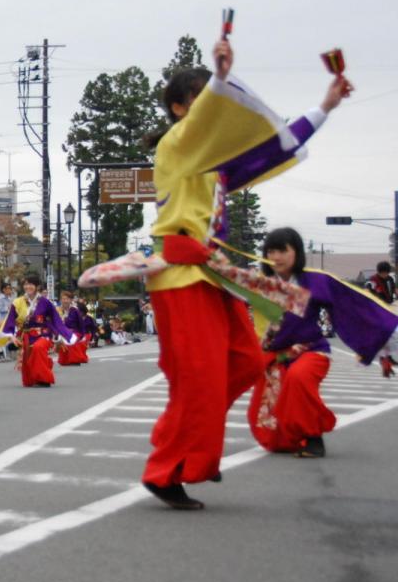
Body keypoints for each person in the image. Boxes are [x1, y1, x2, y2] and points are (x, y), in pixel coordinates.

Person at [135, 35, 351, 510]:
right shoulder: (176, 145)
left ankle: (185, 443)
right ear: (178, 108)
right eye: (204, 101)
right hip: (179, 275)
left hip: (211, 276)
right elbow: (208, 121)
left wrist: (325, 107)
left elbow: (275, 149)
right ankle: (166, 468)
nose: (217, 111)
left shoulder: (214, 167)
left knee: (247, 362)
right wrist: (219, 76)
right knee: (199, 379)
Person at [247, 229, 398, 457]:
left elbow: (354, 306)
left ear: (296, 252)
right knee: (273, 432)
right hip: (275, 357)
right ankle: (293, 437)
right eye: (270, 251)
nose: (275, 256)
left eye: (282, 250)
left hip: (312, 350)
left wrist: (384, 344)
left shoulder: (316, 281)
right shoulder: (257, 284)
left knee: (299, 378)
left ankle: (313, 438)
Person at [0, 274, 74, 387]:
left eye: (30, 284)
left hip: (44, 333)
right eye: (25, 284)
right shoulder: (18, 302)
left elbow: (55, 319)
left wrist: (60, 334)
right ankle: (39, 372)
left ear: (37, 286)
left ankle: (44, 378)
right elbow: (9, 320)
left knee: (38, 348)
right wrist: (11, 336)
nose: (27, 286)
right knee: (29, 371)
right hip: (27, 336)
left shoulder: (45, 302)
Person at [56, 290, 90, 366]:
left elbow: (81, 323)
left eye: (67, 299)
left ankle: (75, 359)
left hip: (74, 331)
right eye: (63, 299)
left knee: (72, 339)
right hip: (63, 332)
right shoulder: (58, 310)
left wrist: (82, 334)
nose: (65, 301)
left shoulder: (75, 310)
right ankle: (65, 360)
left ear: (70, 300)